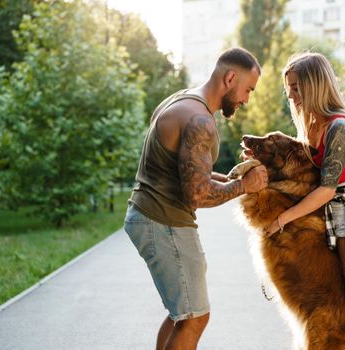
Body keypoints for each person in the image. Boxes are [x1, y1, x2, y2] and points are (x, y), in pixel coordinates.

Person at [124, 47, 268, 350]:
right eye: (248, 90)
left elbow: (186, 173)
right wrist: (245, 186)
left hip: (148, 216)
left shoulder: (180, 101)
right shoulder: (201, 121)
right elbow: (197, 194)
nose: (246, 99)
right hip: (164, 222)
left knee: (184, 315)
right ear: (230, 78)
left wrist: (229, 179)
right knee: (194, 318)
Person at [263, 52, 345, 340]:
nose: (291, 96)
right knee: (339, 303)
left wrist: (282, 219)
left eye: (296, 88)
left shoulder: (339, 127)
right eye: (288, 89)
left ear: (315, 85)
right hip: (330, 216)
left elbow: (327, 188)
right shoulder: (313, 125)